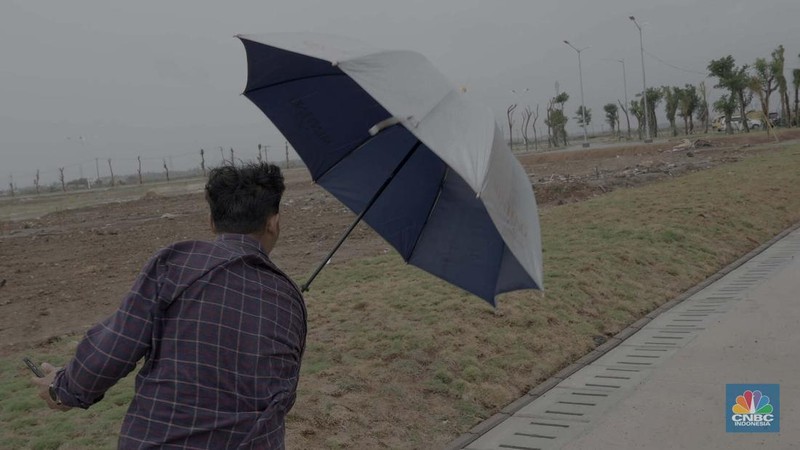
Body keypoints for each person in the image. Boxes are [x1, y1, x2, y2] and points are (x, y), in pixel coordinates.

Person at [32, 163, 307, 449]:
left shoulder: (176, 263)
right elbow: (283, 396)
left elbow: (114, 347)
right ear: (273, 222)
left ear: (212, 222)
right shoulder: (288, 297)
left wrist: (62, 389)